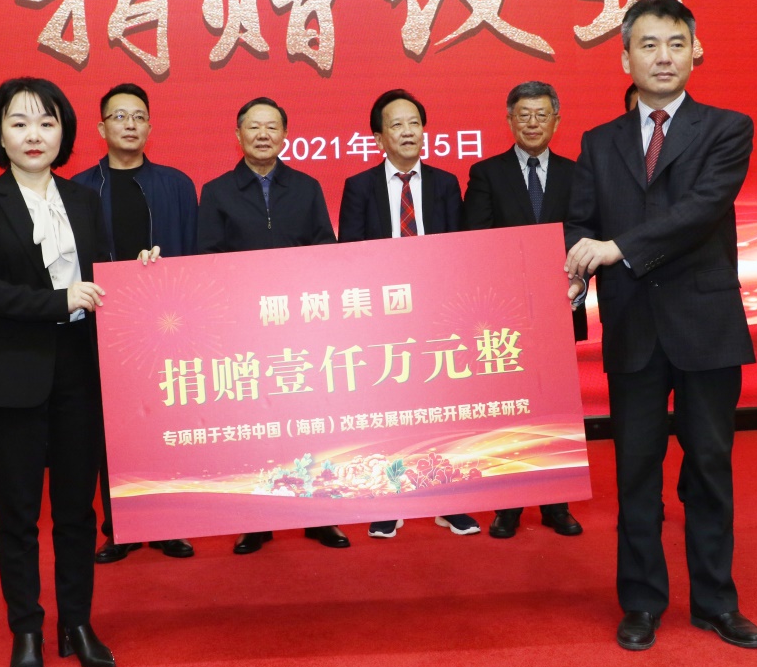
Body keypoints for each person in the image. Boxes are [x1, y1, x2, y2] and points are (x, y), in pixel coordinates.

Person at [565, 0, 757, 651]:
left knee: (708, 465)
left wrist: (615, 249)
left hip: (706, 326)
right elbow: (580, 223)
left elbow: (700, 211)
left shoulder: (727, 128)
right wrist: (575, 268)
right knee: (636, 473)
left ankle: (716, 603)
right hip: (633, 329)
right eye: (648, 45)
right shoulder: (598, 142)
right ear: (625, 56)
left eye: (676, 44)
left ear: (695, 53)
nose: (663, 57)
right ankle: (642, 602)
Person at [0, 77, 116, 667]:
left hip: (80, 371)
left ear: (64, 132)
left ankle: (77, 621)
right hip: (12, 374)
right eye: (19, 123)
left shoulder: (85, 200)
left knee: (77, 510)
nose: (34, 135)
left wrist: (138, 271)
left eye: (47, 122)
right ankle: (26, 629)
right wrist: (58, 299)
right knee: (17, 515)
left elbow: (103, 275)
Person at [197, 96, 348, 554]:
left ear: (285, 135)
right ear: (238, 134)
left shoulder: (306, 187)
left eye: (272, 127)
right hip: (244, 329)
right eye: (253, 127)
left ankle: (321, 516)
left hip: (301, 326)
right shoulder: (217, 191)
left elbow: (325, 250)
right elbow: (207, 259)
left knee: (312, 421)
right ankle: (255, 519)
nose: (263, 135)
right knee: (255, 423)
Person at [337, 89, 480, 539]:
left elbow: (460, 250)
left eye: (414, 123)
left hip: (438, 313)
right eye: (396, 124)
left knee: (444, 409)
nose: (407, 132)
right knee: (390, 410)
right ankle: (391, 500)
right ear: (379, 137)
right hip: (384, 316)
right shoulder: (359, 187)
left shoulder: (445, 183)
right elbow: (349, 256)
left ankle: (448, 501)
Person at [72, 82, 198, 564]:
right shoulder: (80, 189)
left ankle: (171, 525)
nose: (130, 124)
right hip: (102, 325)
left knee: (169, 425)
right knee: (114, 430)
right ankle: (120, 528)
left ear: (150, 126)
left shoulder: (176, 185)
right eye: (119, 116)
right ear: (101, 127)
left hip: (167, 324)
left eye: (139, 116)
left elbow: (193, 257)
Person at [462, 80, 589, 540]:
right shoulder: (486, 174)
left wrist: (577, 285)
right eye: (524, 115)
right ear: (510, 120)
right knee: (509, 411)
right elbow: (476, 242)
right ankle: (508, 505)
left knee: (556, 409)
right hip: (505, 316)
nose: (532, 123)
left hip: (559, 308)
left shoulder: (578, 174)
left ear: (556, 120)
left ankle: (557, 503)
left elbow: (585, 236)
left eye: (541, 115)